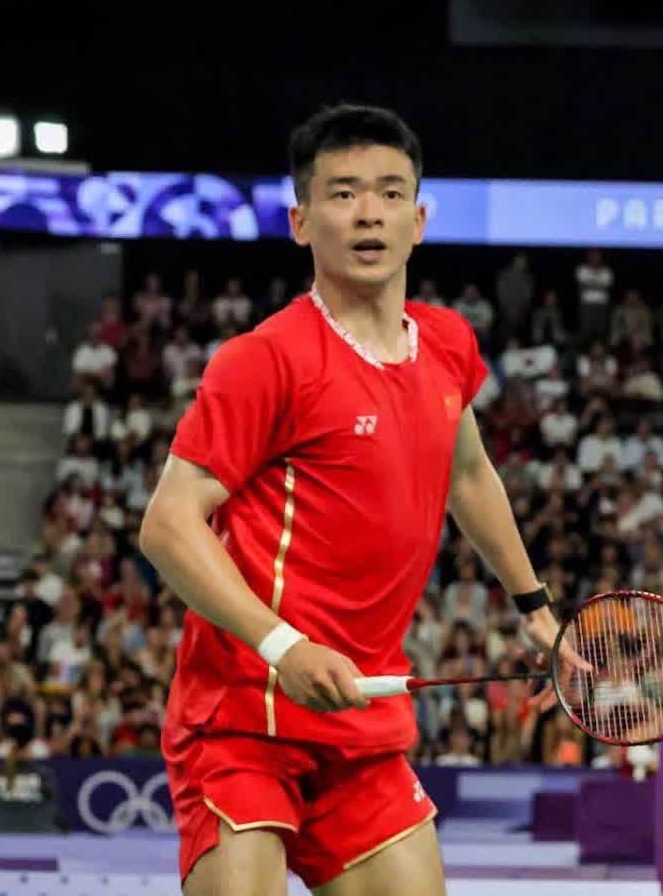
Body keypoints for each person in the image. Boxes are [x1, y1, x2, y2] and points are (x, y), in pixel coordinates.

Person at [139, 104, 569, 896]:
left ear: (419, 220)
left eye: (389, 192)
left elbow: (468, 474)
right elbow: (168, 524)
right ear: (301, 221)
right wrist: (283, 647)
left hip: (362, 716)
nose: (369, 212)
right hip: (247, 714)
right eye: (343, 193)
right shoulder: (265, 358)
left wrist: (533, 604)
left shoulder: (447, 343)